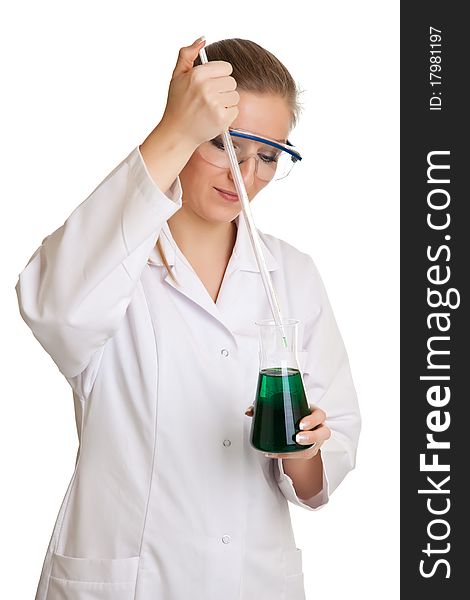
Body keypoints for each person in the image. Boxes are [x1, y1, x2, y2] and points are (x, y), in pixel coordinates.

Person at [15, 36, 361, 600]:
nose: (245, 175)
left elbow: (331, 447)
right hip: (130, 582)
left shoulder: (292, 275)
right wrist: (172, 130)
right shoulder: (115, 258)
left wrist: (305, 448)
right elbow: (49, 306)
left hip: (253, 581)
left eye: (268, 156)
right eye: (225, 144)